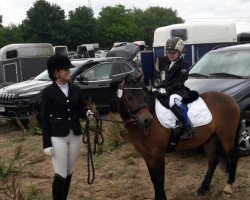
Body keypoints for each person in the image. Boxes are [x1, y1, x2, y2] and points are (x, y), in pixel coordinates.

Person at [41, 54, 88, 200]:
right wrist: (46, 143)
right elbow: (44, 118)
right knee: (60, 172)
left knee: (69, 171)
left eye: (69, 68)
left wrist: (88, 113)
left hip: (75, 134)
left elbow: (81, 108)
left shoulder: (76, 89)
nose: (69, 71)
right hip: (57, 136)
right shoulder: (48, 93)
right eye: (65, 69)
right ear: (56, 72)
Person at [156, 37, 194, 141]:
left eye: (173, 52)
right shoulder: (169, 64)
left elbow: (179, 82)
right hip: (169, 89)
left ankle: (187, 127)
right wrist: (158, 87)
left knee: (173, 102)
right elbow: (167, 81)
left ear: (180, 51)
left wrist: (167, 90)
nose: (170, 54)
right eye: (168, 52)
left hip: (178, 91)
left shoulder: (183, 66)